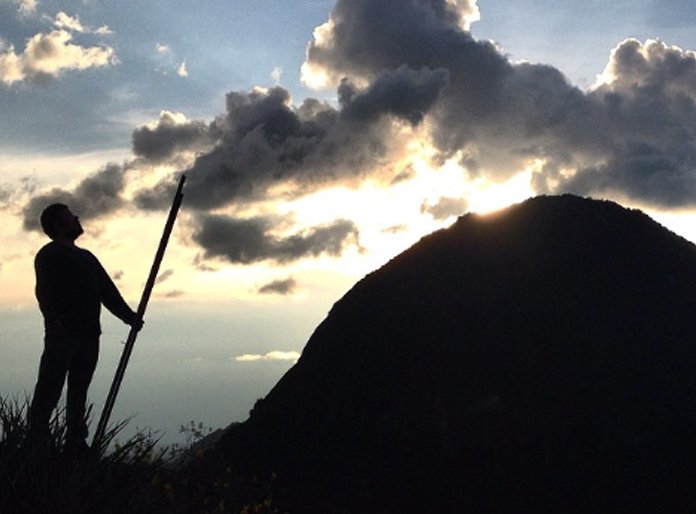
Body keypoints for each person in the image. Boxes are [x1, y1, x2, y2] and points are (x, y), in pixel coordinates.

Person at [28, 203, 143, 453]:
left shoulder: (87, 257)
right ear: (58, 224)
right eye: (69, 216)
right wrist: (54, 320)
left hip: (89, 336)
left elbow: (107, 291)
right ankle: (36, 442)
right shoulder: (50, 254)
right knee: (49, 388)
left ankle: (75, 443)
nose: (76, 218)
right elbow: (43, 292)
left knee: (79, 391)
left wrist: (129, 317)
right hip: (63, 334)